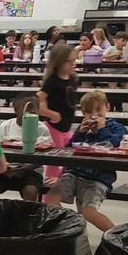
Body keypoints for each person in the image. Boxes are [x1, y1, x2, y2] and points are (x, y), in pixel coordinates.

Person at [46, 90, 127, 231]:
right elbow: (67, 151)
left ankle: (117, 237)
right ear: (83, 113)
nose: (94, 115)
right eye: (89, 111)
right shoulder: (82, 129)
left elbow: (114, 146)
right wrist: (81, 133)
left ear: (107, 107)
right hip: (73, 173)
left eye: (98, 110)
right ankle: (66, 228)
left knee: (88, 212)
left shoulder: (117, 128)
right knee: (51, 197)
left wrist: (101, 129)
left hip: (98, 178)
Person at [0, 94, 51, 202]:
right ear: (16, 109)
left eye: (35, 107)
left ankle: (28, 217)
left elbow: (44, 157)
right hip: (6, 169)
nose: (32, 111)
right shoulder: (6, 126)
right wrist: (4, 168)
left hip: (31, 171)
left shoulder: (42, 129)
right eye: (28, 107)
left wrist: (24, 170)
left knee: (30, 191)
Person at [37, 42, 79, 180]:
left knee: (68, 161)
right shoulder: (52, 82)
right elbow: (34, 103)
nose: (73, 64)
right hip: (54, 128)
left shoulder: (72, 78)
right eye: (69, 61)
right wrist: (51, 114)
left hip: (67, 128)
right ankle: (48, 197)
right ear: (59, 62)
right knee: (54, 165)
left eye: (74, 60)